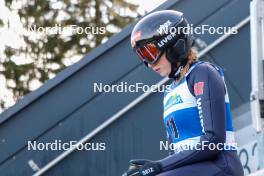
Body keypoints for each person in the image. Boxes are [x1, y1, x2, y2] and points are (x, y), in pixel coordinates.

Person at [123, 10, 244, 176]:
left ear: (173, 45)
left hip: (221, 166)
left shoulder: (203, 73)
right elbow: (175, 154)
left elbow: (213, 141)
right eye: (143, 57)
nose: (149, 64)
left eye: (150, 53)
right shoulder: (169, 92)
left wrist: (158, 166)